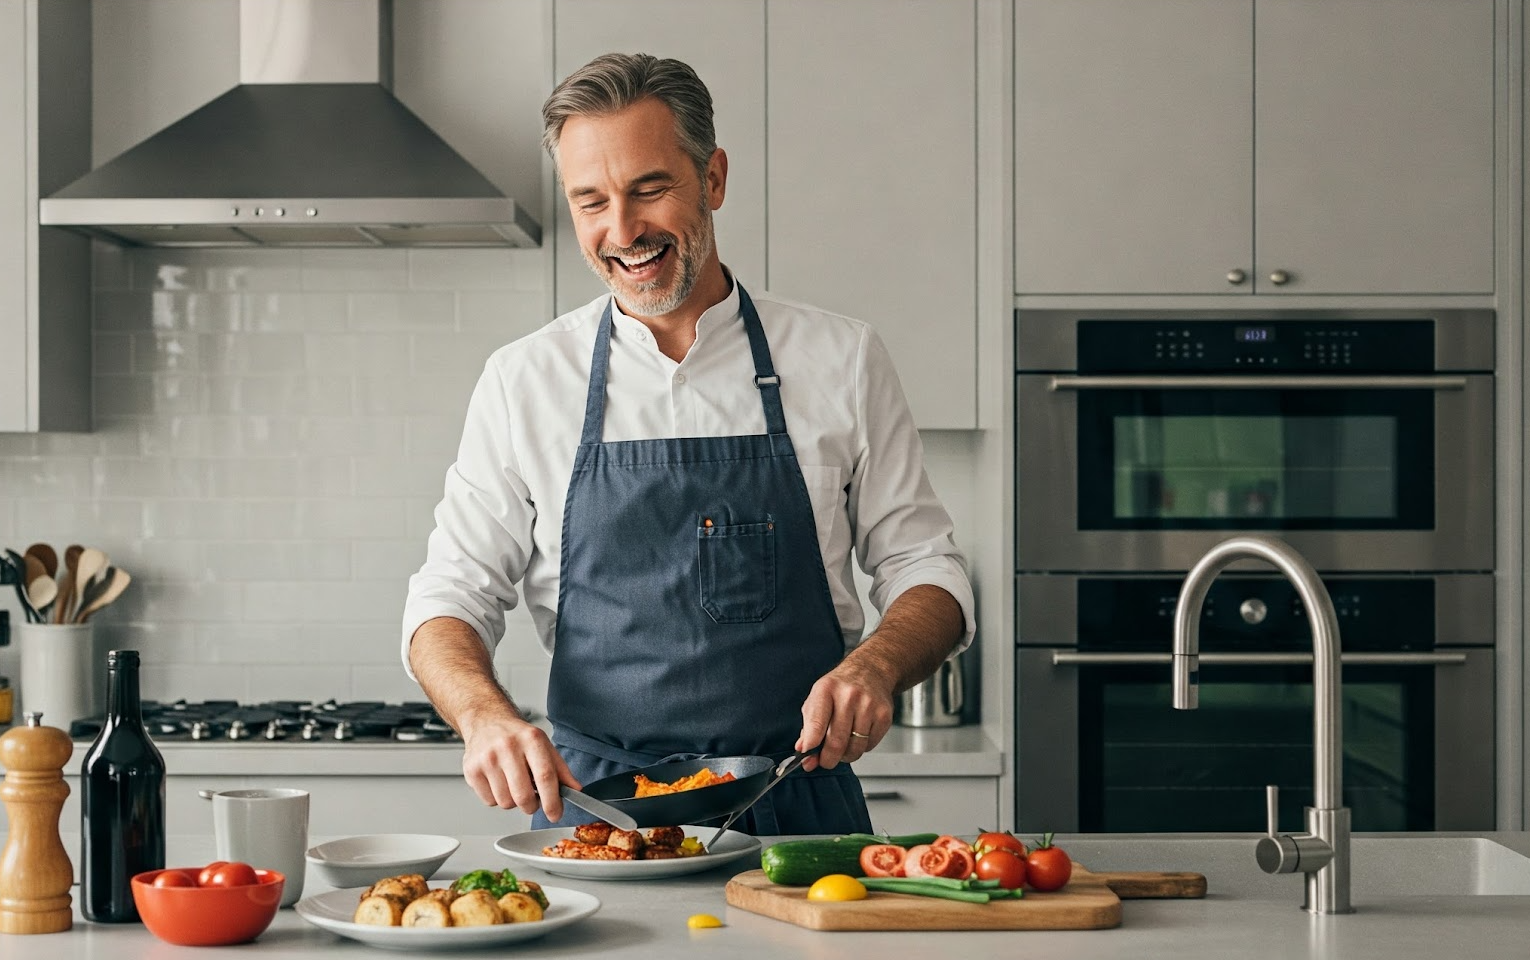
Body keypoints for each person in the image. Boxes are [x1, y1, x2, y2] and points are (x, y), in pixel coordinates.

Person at [402, 52, 974, 835]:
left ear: (713, 180)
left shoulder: (841, 359)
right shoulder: (523, 381)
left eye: (649, 188)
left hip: (794, 809)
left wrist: (875, 666)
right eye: (590, 201)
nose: (623, 230)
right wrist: (483, 716)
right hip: (597, 821)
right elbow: (448, 597)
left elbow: (929, 570)